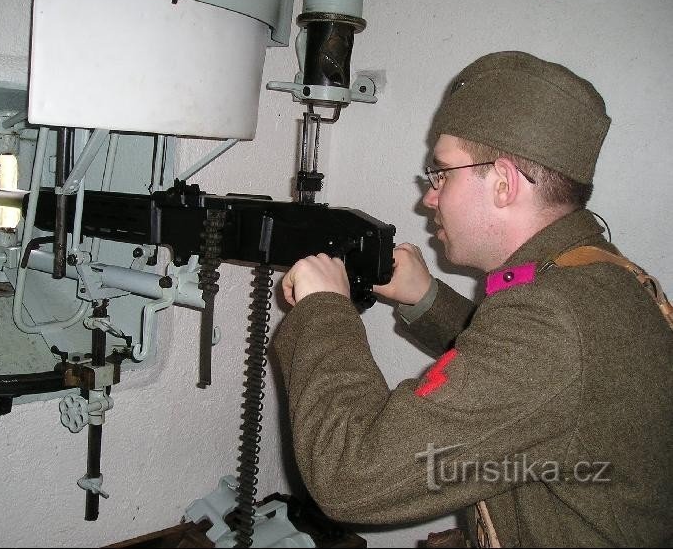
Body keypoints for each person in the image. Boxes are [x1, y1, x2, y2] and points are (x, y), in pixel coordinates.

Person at [273, 51, 673, 547]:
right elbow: (525, 383)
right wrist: (426, 298)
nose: (428, 197)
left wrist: (324, 312)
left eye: (441, 173)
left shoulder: (550, 318)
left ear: (503, 183)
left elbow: (352, 477)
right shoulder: (592, 274)